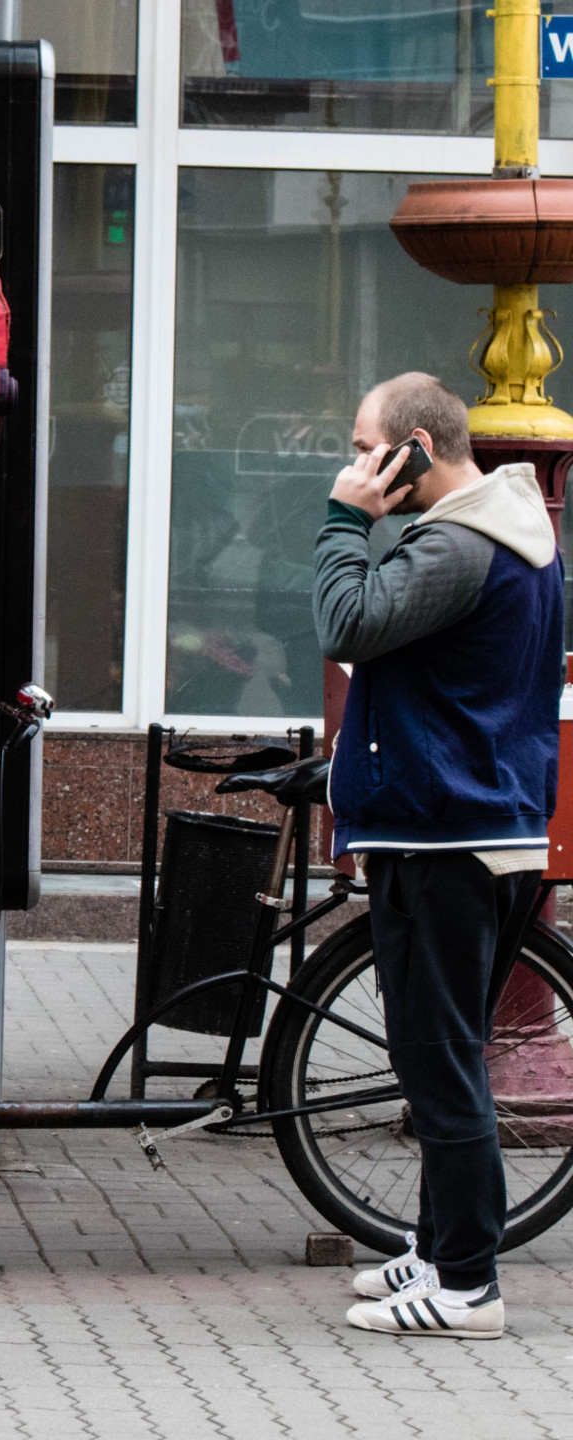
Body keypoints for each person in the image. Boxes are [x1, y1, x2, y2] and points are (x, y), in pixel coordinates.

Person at [315, 372, 563, 1340]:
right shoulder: (500, 536)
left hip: (445, 835)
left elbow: (348, 625)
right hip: (473, 827)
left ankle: (466, 1290)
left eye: (365, 442)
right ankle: (442, 1246)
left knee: (440, 1068)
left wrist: (343, 524)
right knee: (441, 1061)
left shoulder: (459, 544)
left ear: (416, 447)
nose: (354, 460)